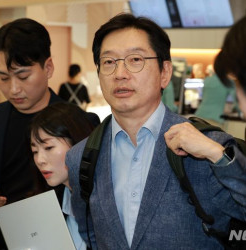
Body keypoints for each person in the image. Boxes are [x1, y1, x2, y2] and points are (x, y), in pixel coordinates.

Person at [66, 13, 246, 249]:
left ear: (165, 72)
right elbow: (89, 234)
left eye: (135, 59)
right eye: (109, 62)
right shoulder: (82, 157)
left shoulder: (210, 148)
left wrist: (218, 156)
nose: (120, 73)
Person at [0, 18, 99, 249]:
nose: (13, 89)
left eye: (23, 76)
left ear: (48, 67)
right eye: (3, 78)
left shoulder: (82, 123)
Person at [30, 102, 94, 250]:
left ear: (78, 143)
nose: (40, 160)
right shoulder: (50, 204)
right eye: (34, 151)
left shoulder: (105, 200)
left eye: (48, 148)